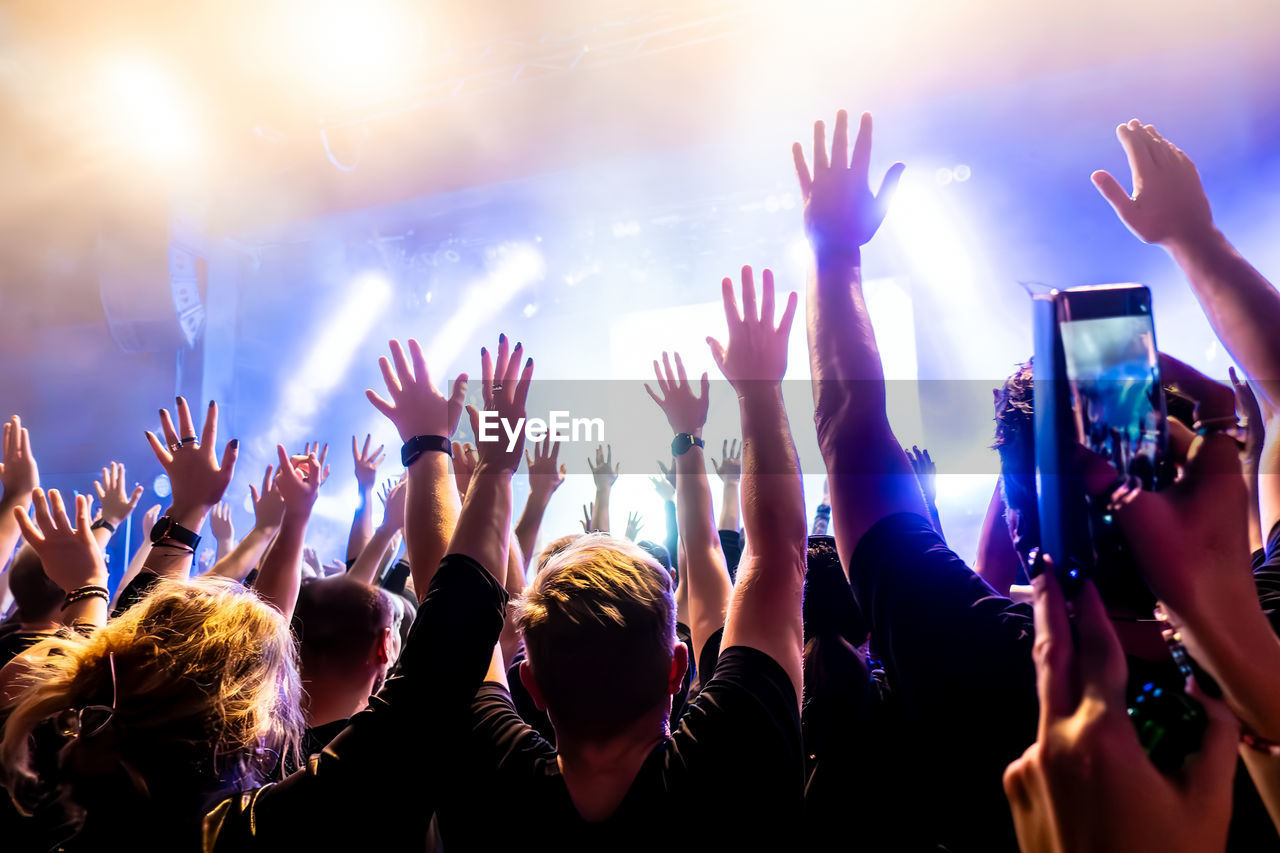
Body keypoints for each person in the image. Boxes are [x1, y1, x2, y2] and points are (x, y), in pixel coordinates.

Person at [436, 266, 806, 849]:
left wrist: (477, 465)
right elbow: (774, 556)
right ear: (677, 669)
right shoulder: (735, 753)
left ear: (531, 684)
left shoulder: (486, 772)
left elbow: (450, 626)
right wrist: (747, 397)